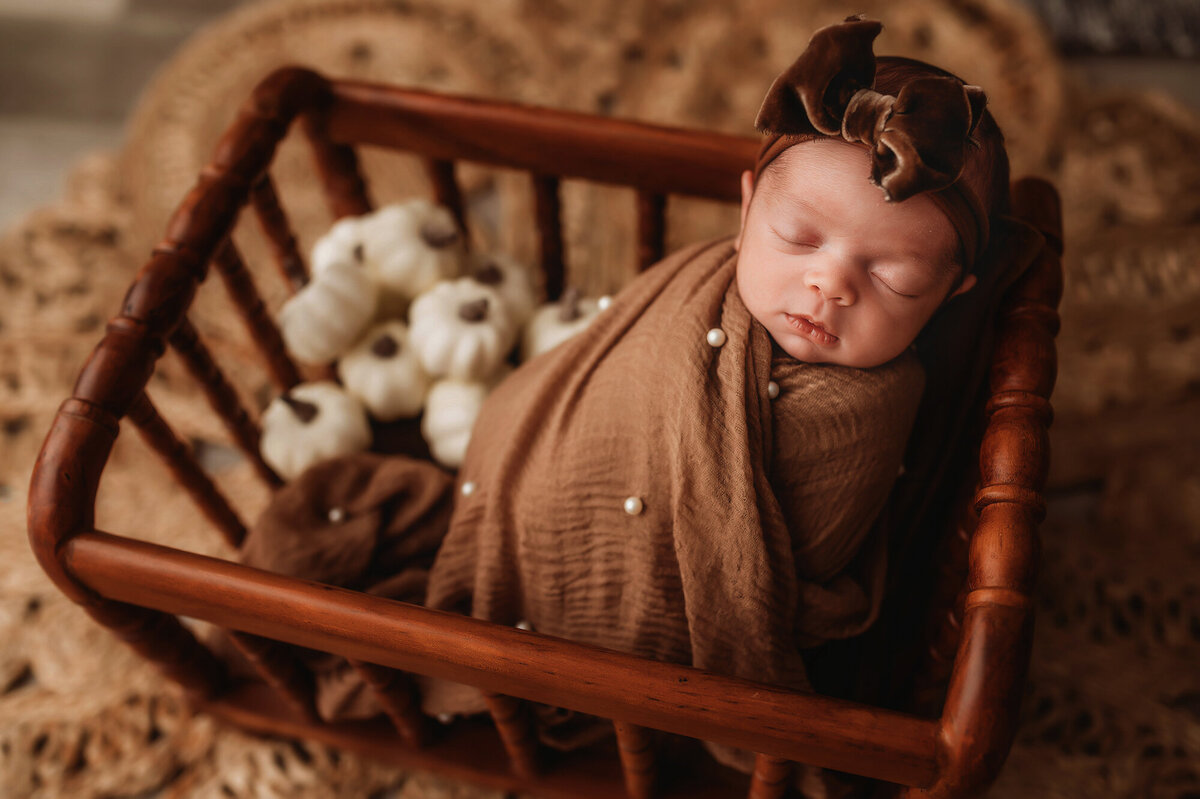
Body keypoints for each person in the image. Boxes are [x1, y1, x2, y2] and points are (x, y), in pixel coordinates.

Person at [238, 14, 1032, 793]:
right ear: (748, 204)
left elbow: (782, 577)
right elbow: (596, 353)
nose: (831, 284)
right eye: (797, 237)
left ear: (951, 294)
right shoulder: (703, 278)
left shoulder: (863, 413)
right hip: (517, 470)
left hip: (628, 601)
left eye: (893, 278)